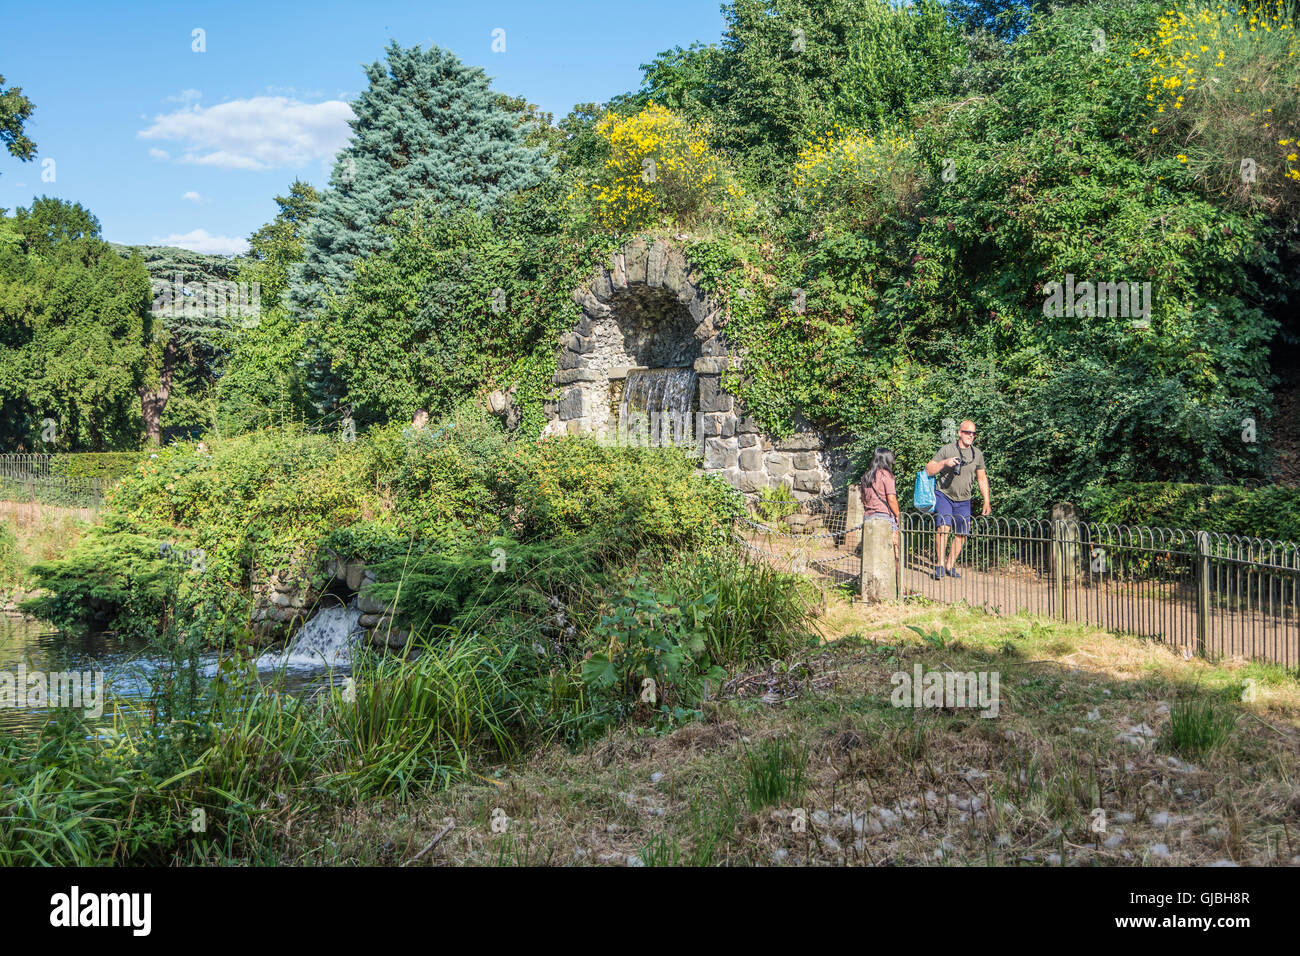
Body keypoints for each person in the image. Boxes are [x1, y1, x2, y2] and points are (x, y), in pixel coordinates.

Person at [924, 420, 990, 579]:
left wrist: (986, 501)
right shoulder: (947, 449)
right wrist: (944, 463)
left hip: (964, 498)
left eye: (973, 433)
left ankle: (949, 565)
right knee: (943, 528)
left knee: (961, 533)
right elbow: (928, 470)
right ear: (960, 433)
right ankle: (939, 565)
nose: (971, 436)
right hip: (944, 494)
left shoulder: (977, 454)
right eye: (968, 432)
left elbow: (982, 479)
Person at [859, 446, 900, 554]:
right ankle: (894, 571)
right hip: (884, 516)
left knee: (871, 552)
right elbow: (891, 498)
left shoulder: (865, 476)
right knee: (892, 552)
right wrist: (898, 515)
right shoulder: (886, 475)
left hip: (868, 516)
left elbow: (863, 498)